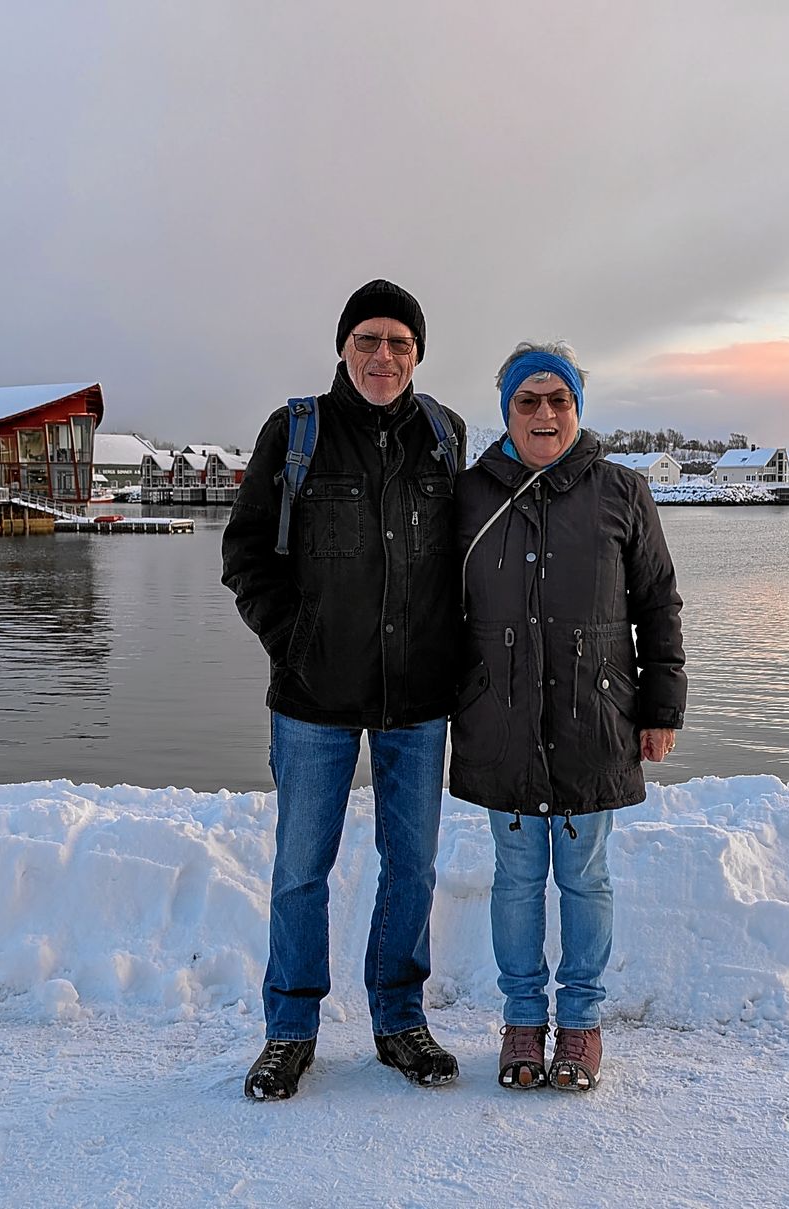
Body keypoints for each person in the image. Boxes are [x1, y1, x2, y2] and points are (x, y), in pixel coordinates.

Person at [221, 280, 467, 1100]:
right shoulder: (297, 433)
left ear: (417, 354)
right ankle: (290, 1030)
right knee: (300, 867)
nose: (383, 356)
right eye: (369, 339)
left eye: (400, 342)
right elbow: (246, 553)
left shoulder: (445, 435)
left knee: (414, 867)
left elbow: (465, 558)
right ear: (342, 348)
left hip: (417, 698)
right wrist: (295, 640)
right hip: (312, 699)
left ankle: (400, 1019)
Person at [448, 340, 685, 1092]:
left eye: (559, 400)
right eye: (528, 400)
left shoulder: (621, 492)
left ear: (578, 408)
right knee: (516, 878)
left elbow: (657, 605)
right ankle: (523, 1017)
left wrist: (661, 703)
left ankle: (579, 1023)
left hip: (597, 717)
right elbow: (437, 613)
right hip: (503, 721)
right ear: (507, 412)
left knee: (584, 876)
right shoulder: (471, 495)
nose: (544, 414)